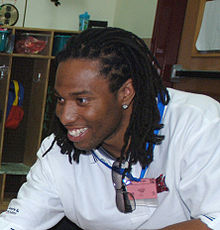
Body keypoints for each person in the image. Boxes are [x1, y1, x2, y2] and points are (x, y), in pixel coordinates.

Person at [0, 27, 220, 230]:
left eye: (82, 100)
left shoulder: (198, 123)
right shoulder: (58, 151)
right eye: (59, 99)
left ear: (126, 92)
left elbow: (215, 219)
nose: (65, 117)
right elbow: (18, 222)